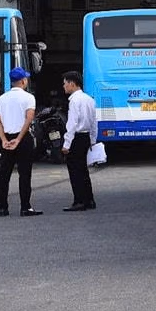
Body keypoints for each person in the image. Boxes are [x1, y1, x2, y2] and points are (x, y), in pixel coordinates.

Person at [0, 67, 40, 216]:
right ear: (23, 81)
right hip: (23, 138)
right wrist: (19, 138)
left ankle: (3, 207)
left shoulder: (1, 98)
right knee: (25, 173)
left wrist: (3, 139)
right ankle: (25, 206)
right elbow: (29, 119)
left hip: (7, 137)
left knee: (4, 174)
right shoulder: (29, 97)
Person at [61, 71, 97, 211]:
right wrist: (92, 139)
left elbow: (72, 123)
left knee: (75, 171)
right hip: (86, 137)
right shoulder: (89, 99)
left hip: (76, 138)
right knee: (83, 170)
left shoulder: (74, 101)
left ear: (72, 83)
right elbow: (94, 122)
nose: (64, 86)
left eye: (65, 83)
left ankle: (79, 201)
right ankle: (89, 200)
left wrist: (66, 144)